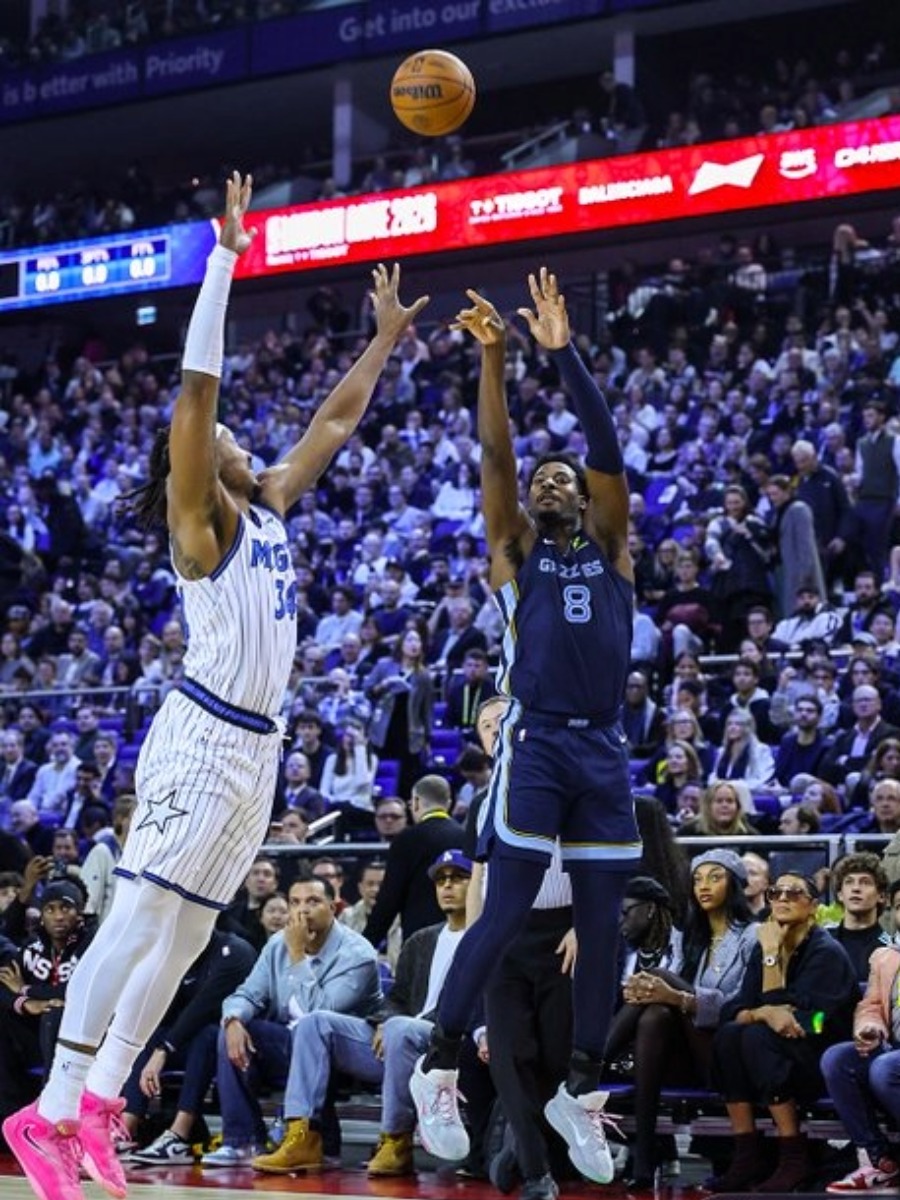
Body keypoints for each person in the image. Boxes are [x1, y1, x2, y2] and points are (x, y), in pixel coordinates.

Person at [1, 172, 429, 1200]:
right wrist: (227, 259)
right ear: (195, 462)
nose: (241, 436)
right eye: (225, 437)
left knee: (190, 933)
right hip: (201, 735)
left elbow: (331, 425)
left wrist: (381, 342)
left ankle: (99, 1102)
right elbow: (198, 391)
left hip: (259, 748)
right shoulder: (205, 523)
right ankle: (48, 1110)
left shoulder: (270, 500)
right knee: (142, 919)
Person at [410, 270, 639, 1187]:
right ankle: (436, 1063)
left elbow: (606, 442)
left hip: (604, 747)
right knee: (503, 906)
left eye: (562, 478)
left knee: (604, 923)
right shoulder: (515, 554)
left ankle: (581, 1088)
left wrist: (564, 356)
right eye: (540, 480)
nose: (547, 482)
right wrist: (498, 362)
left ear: (582, 497)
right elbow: (495, 459)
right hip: (538, 741)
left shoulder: (615, 544)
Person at [606, 849, 757, 1188]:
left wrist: (678, 997)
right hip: (686, 1053)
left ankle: (592, 1065)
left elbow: (741, 1007)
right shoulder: (688, 938)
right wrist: (652, 995)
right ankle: (644, 1155)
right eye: (697, 879)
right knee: (655, 1016)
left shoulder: (753, 936)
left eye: (715, 877)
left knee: (661, 980)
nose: (704, 886)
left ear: (735, 884)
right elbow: (664, 1001)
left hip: (729, 1052)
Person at [709, 872, 859, 1192]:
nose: (782, 899)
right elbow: (737, 1008)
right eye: (776, 893)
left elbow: (812, 1020)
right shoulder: (764, 947)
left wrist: (771, 961)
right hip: (775, 1051)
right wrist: (763, 1012)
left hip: (822, 1050)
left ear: (814, 907)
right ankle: (746, 1152)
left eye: (794, 893)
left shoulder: (826, 952)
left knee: (754, 1036)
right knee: (730, 1034)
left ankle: (794, 1155)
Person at [820, 940, 900, 1192]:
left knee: (884, 1069)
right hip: (894, 1049)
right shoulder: (885, 957)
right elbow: (871, 1005)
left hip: (891, 1062)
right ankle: (879, 1162)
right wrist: (872, 1027)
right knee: (837, 1059)